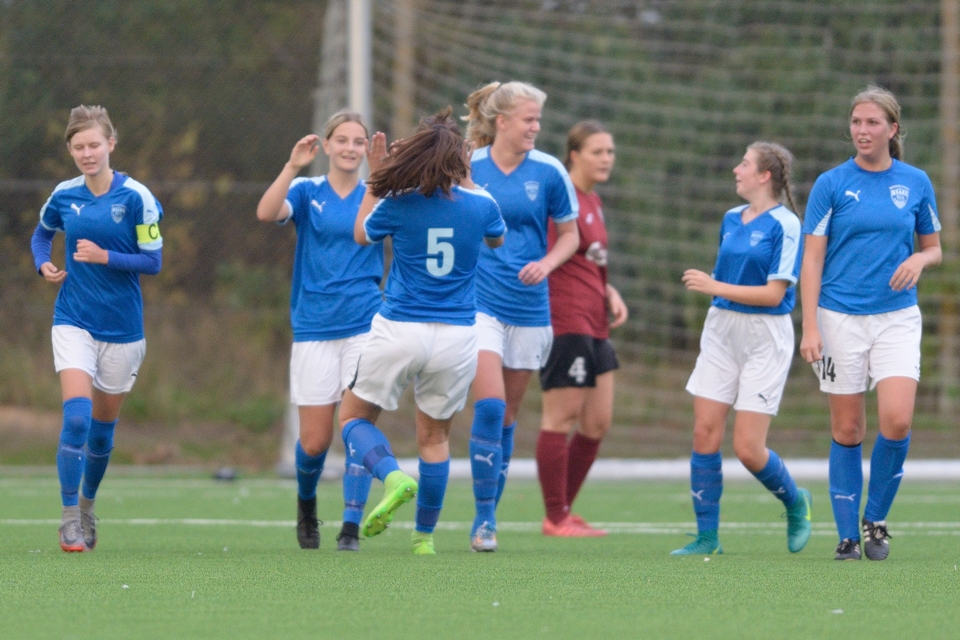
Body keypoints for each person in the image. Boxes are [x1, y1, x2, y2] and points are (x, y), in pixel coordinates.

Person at [337, 108, 506, 555]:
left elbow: (361, 235)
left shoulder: (399, 202)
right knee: (435, 439)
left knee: (353, 418)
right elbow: (497, 239)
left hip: (400, 328)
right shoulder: (483, 206)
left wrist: (378, 179)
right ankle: (423, 539)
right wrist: (466, 178)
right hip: (457, 337)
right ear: (460, 159)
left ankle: (392, 476)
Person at [799, 86, 941, 561]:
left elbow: (934, 247)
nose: (862, 130)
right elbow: (812, 260)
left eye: (873, 122)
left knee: (897, 421)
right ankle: (847, 537)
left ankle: (875, 520)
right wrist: (810, 326)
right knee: (848, 429)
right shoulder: (831, 184)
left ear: (892, 129)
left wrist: (919, 259)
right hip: (839, 317)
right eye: (856, 122)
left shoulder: (916, 181)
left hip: (897, 317)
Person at [30, 105, 163, 552]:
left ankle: (87, 506)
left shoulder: (137, 198)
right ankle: (69, 518)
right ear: (70, 151)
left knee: (102, 434)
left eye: (94, 145)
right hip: (73, 320)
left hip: (123, 330)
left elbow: (153, 262)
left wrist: (106, 256)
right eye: (78, 147)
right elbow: (41, 235)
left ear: (111, 144)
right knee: (76, 418)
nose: (87, 154)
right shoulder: (64, 194)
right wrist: (43, 263)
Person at [671, 141, 812, 556]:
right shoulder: (731, 218)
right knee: (704, 432)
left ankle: (796, 502)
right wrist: (718, 291)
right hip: (721, 329)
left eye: (745, 163)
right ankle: (707, 538)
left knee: (748, 449)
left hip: (765, 336)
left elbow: (774, 294)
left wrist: (713, 285)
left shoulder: (786, 224)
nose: (736, 169)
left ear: (764, 175)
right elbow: (728, 280)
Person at [256, 111, 380, 551]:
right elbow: (266, 212)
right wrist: (292, 166)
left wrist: (384, 179)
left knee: (356, 429)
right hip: (313, 326)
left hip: (365, 324)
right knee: (315, 442)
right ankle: (306, 505)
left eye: (358, 141)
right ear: (326, 146)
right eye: (341, 140)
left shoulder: (377, 193)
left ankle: (351, 526)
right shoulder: (307, 191)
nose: (350, 148)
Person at [463, 81, 579, 552]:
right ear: (502, 121)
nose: (536, 127)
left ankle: (488, 514)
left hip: (529, 307)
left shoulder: (549, 171)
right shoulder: (467, 165)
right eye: (529, 119)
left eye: (538, 120)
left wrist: (546, 264)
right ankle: (484, 519)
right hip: (478, 303)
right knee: (490, 406)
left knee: (508, 415)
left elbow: (570, 236)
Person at [536, 121, 628, 537]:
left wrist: (609, 290)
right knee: (561, 417)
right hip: (566, 318)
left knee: (597, 422)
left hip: (596, 320)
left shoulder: (593, 199)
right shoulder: (561, 199)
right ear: (573, 155)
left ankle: (565, 510)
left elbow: (587, 259)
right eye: (597, 151)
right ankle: (555, 517)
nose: (606, 158)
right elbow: (551, 255)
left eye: (610, 151)